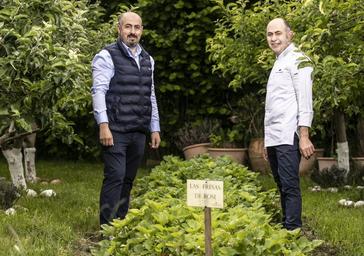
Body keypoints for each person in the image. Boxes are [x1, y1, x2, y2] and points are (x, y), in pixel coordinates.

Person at [91, 11, 161, 226]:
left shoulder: (148, 59)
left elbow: (150, 94)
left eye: (137, 27)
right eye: (128, 27)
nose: (132, 32)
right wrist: (103, 125)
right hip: (116, 129)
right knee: (115, 176)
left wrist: (154, 128)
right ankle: (106, 227)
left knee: (128, 179)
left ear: (141, 30)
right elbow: (98, 91)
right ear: (119, 29)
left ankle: (119, 223)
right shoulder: (106, 56)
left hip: (138, 130)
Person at [263, 18, 315, 230]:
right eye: (270, 34)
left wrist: (304, 135)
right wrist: (268, 142)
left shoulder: (299, 60)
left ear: (289, 35)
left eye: (278, 33)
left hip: (288, 135)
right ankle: (287, 228)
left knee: (290, 186)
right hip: (275, 137)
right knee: (281, 186)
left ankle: (293, 233)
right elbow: (273, 106)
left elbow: (305, 100)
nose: (274, 38)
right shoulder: (278, 62)